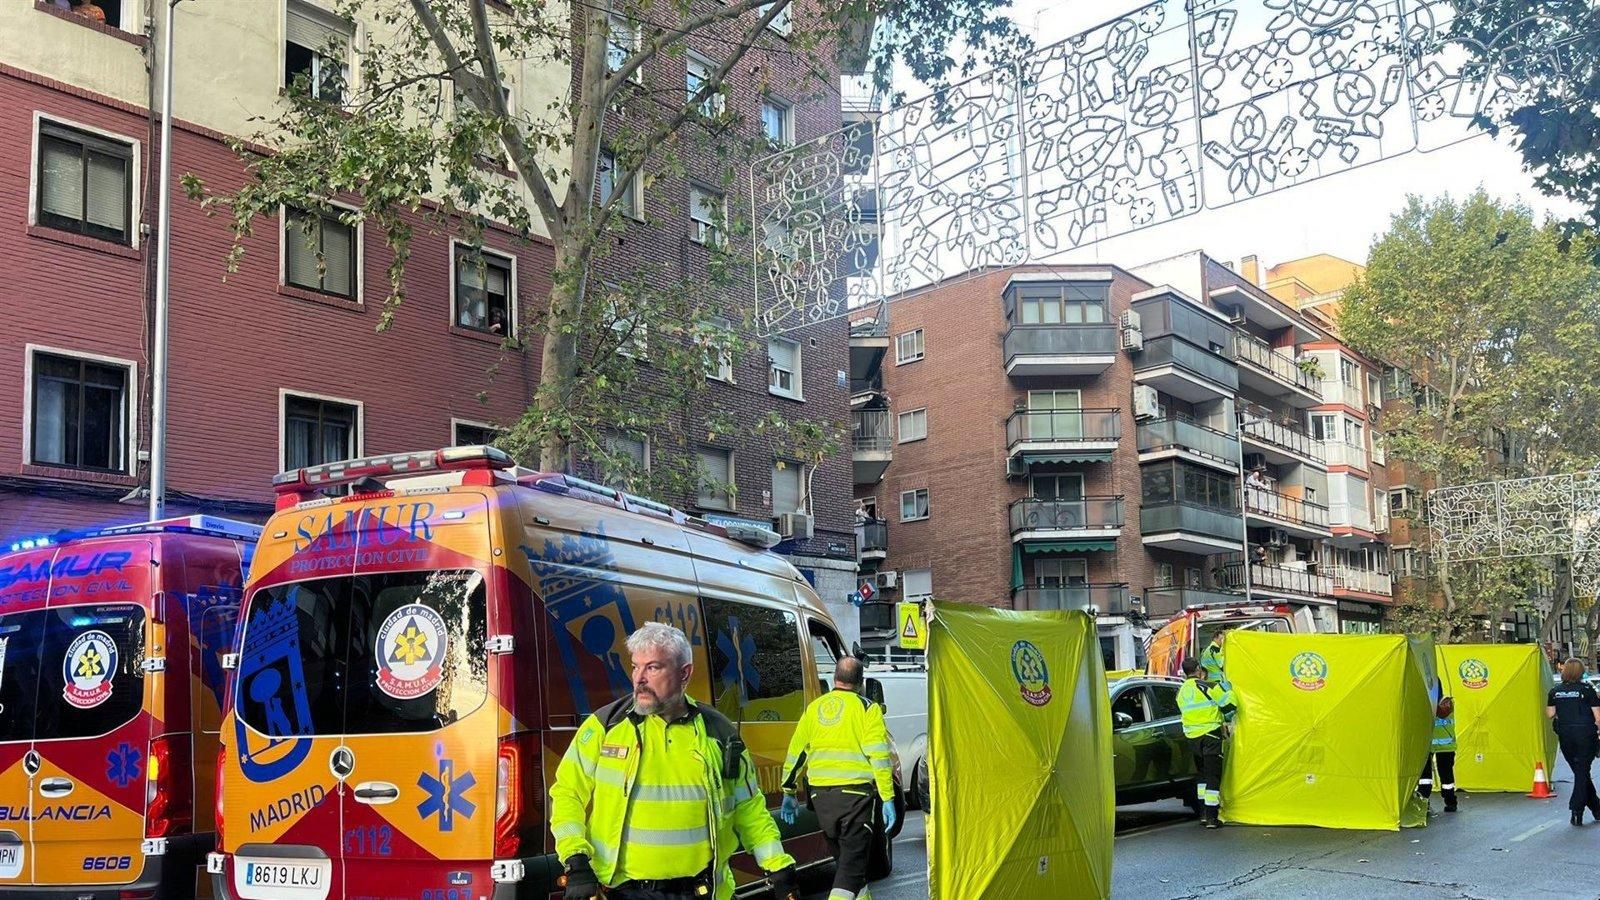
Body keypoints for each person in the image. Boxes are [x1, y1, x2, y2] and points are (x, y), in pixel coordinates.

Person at [550, 622, 800, 900]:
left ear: (685, 673)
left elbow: (749, 809)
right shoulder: (606, 725)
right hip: (622, 891)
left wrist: (778, 866)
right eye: (635, 666)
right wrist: (575, 859)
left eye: (653, 667)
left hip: (699, 891)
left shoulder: (719, 733)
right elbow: (567, 793)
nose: (639, 678)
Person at [779, 656, 894, 900]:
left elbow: (796, 752)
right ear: (860, 683)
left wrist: (788, 791)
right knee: (850, 871)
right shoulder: (867, 708)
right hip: (856, 799)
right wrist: (888, 797)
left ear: (834, 679)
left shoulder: (815, 708)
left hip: (821, 799)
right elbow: (879, 757)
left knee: (848, 864)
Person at [1177, 656, 1235, 828]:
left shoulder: (1181, 692)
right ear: (1198, 669)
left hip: (1192, 738)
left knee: (1202, 775)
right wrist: (1229, 690)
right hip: (1210, 735)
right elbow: (1230, 706)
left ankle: (1203, 814)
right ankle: (1212, 817)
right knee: (1212, 776)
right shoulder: (1207, 686)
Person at [1547, 657, 1600, 826]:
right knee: (1582, 772)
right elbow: (1598, 717)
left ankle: (1597, 809)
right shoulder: (1587, 690)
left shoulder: (1555, 691)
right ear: (1580, 671)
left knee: (1580, 771)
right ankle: (1576, 809)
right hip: (1586, 734)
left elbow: (1549, 714)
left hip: (1566, 735)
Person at [1418, 696, 1458, 814]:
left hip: (1444, 747)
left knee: (1445, 778)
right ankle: (1424, 802)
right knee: (1425, 779)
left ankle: (1450, 802)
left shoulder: (1446, 702)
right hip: (1428, 745)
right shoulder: (1426, 702)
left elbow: (1442, 712)